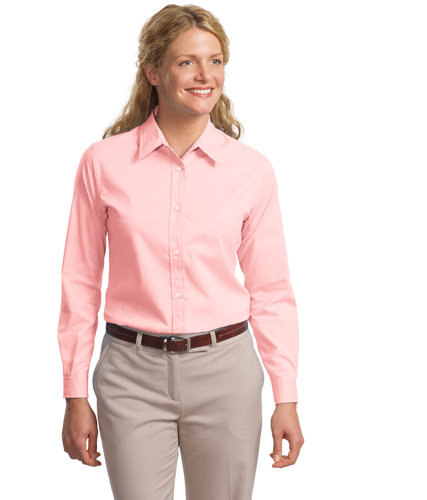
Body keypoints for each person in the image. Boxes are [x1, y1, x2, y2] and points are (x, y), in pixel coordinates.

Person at [58, 4, 304, 499]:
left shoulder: (251, 170)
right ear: (153, 71)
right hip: (130, 374)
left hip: (227, 373)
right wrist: (74, 392)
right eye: (186, 62)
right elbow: (80, 282)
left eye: (215, 61)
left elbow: (271, 290)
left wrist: (286, 396)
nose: (205, 75)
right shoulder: (103, 163)